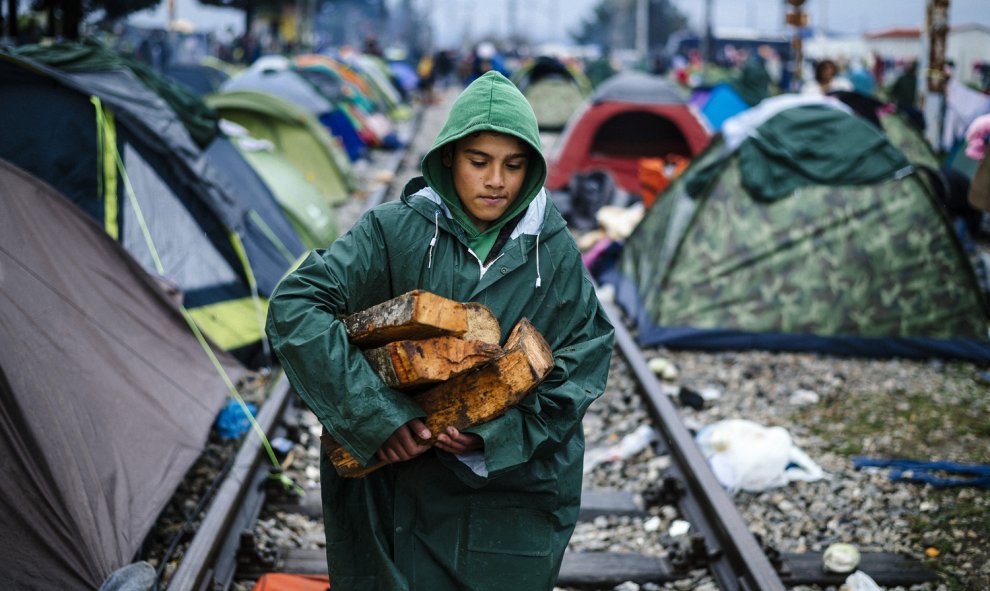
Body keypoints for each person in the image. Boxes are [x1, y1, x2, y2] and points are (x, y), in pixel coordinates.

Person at [265, 71, 615, 590]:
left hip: (507, 493)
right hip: (393, 493)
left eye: (514, 166)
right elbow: (295, 306)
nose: (497, 180)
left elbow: (583, 360)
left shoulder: (553, 252)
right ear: (448, 157)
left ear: (534, 170)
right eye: (480, 162)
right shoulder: (391, 232)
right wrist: (374, 418)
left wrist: (489, 436)